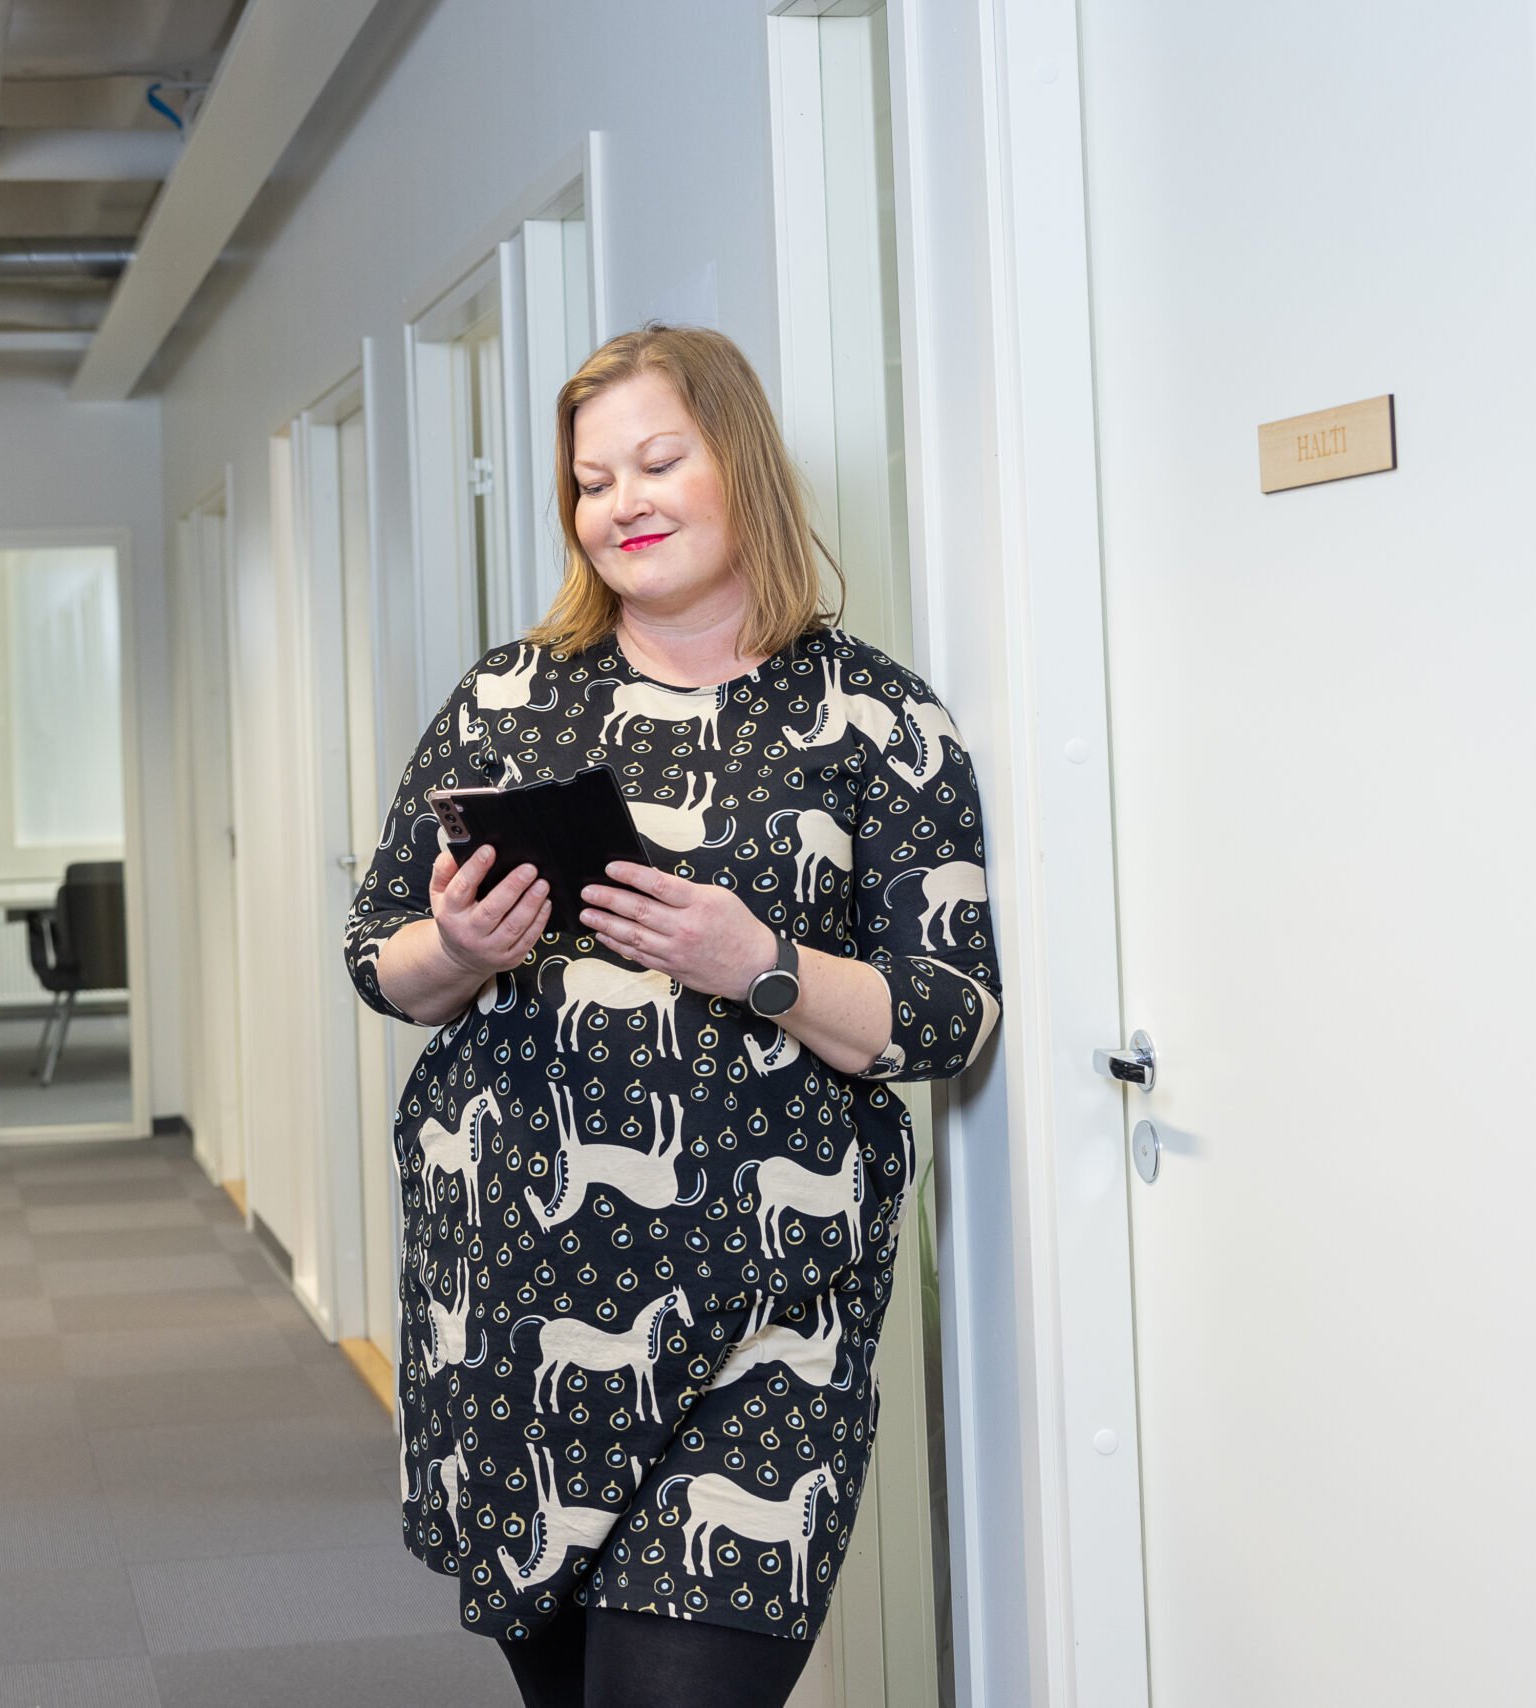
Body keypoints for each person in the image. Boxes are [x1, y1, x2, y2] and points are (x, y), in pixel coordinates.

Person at [343, 323, 1000, 1708]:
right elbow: (376, 957)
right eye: (591, 482)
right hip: (518, 1313)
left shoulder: (880, 722)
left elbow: (948, 1017)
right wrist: (457, 947)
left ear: (739, 464)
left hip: (766, 1324)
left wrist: (760, 958)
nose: (622, 503)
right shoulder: (511, 703)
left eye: (656, 461)